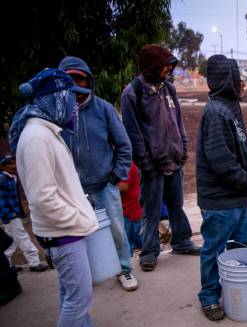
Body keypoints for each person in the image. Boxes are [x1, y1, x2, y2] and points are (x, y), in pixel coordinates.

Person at [10, 68, 116, 327]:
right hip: (62, 231)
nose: (74, 106)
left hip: (63, 229)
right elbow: (43, 199)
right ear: (54, 99)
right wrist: (82, 220)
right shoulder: (37, 139)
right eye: (70, 99)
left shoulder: (45, 131)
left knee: (71, 291)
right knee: (79, 295)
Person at [58, 56, 136, 291]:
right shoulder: (56, 112)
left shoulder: (103, 108)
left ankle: (125, 270)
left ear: (88, 80)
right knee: (78, 235)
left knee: (116, 229)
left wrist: (115, 176)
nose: (76, 86)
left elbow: (124, 145)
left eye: (80, 79)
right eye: (70, 80)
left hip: (104, 185)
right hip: (71, 190)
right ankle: (90, 274)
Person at [121, 44, 200, 272]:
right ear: (153, 66)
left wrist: (183, 149)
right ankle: (149, 252)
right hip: (152, 166)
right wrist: (145, 164)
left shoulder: (169, 89)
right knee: (151, 211)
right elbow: (133, 134)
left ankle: (182, 242)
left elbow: (178, 122)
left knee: (177, 206)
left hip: (174, 160)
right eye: (165, 64)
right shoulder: (132, 93)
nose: (169, 69)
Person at [196, 55, 247, 320]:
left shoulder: (229, 107)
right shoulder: (216, 113)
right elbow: (222, 163)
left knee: (240, 246)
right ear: (226, 81)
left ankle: (243, 283)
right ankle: (210, 296)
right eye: (237, 78)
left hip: (238, 198)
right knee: (215, 248)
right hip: (221, 201)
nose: (241, 83)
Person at [0, 155, 48, 272]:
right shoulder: (2, 180)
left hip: (14, 213)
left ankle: (6, 264)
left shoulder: (12, 177)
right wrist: (9, 214)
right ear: (3, 166)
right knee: (23, 237)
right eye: (10, 164)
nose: (14, 166)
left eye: (14, 163)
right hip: (10, 214)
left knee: (11, 240)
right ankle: (34, 263)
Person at [118, 162, 143, 255]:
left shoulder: (126, 165)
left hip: (131, 211)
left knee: (129, 245)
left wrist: (107, 185)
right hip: (129, 209)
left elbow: (124, 186)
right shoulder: (123, 164)